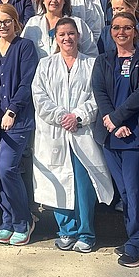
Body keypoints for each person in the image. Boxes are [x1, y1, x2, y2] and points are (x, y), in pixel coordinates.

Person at [32, 17, 114, 253]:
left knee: (83, 183)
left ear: (78, 36)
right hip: (54, 134)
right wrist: (61, 117)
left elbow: (97, 97)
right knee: (57, 180)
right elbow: (39, 97)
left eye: (71, 34)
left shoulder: (92, 64)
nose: (67, 38)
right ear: (55, 39)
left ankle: (86, 233)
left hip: (82, 132)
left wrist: (77, 116)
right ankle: (66, 230)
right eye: (62, 35)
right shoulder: (45, 65)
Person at [91, 13, 139, 267]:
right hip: (112, 137)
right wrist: (112, 122)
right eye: (117, 28)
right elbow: (99, 91)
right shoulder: (103, 60)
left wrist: (118, 119)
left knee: (135, 191)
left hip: (137, 136)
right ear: (111, 32)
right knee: (125, 193)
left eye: (127, 28)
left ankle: (136, 243)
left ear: (136, 31)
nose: (121, 32)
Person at [0, 4, 38, 246]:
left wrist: (12, 110)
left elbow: (27, 82)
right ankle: (7, 220)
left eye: (7, 21)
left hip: (17, 119)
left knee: (7, 169)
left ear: (16, 22)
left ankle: (24, 220)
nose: (2, 26)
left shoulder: (25, 47)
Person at [22, 0, 98, 59]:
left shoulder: (78, 23)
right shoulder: (33, 23)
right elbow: (23, 51)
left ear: (65, 0)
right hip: (39, 70)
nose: (54, 0)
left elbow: (91, 54)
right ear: (43, 0)